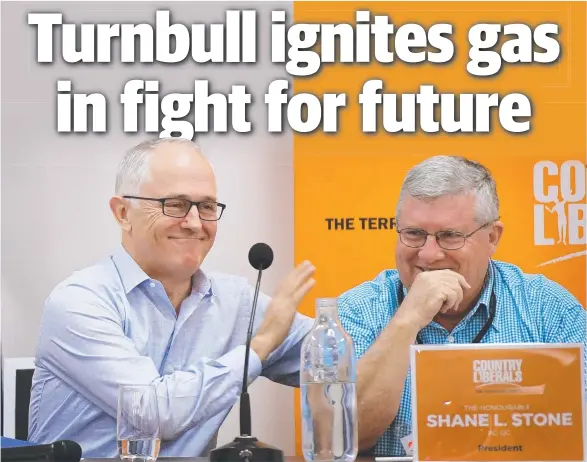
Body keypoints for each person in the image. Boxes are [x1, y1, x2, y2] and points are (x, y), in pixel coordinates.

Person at [28, 138, 316, 457]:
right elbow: (152, 414)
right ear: (123, 212)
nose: (194, 222)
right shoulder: (80, 300)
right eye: (175, 204)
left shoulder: (236, 302)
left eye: (206, 207)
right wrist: (260, 346)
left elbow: (334, 358)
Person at [337, 155, 587, 457]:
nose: (428, 255)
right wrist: (407, 320)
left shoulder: (549, 309)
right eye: (414, 234)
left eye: (450, 236)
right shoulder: (357, 310)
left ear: (492, 237)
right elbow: (341, 437)